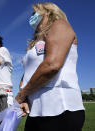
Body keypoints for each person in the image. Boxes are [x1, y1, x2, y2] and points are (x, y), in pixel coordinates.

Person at [15, 2, 85, 131]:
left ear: (47, 12)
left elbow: (52, 65)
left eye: (34, 13)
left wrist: (21, 94)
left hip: (59, 108)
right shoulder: (34, 44)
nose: (32, 17)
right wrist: (24, 98)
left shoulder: (59, 25)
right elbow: (28, 73)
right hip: (36, 110)